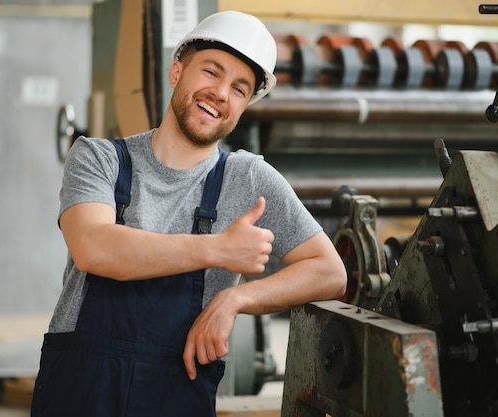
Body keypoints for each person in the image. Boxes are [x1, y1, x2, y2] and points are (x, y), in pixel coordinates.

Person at [31, 10, 346, 417]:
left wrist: (236, 298)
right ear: (176, 72)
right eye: (211, 72)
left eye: (239, 88)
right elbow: (95, 248)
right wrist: (218, 250)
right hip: (80, 392)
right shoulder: (98, 158)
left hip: (175, 395)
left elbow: (330, 272)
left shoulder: (248, 178)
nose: (220, 93)